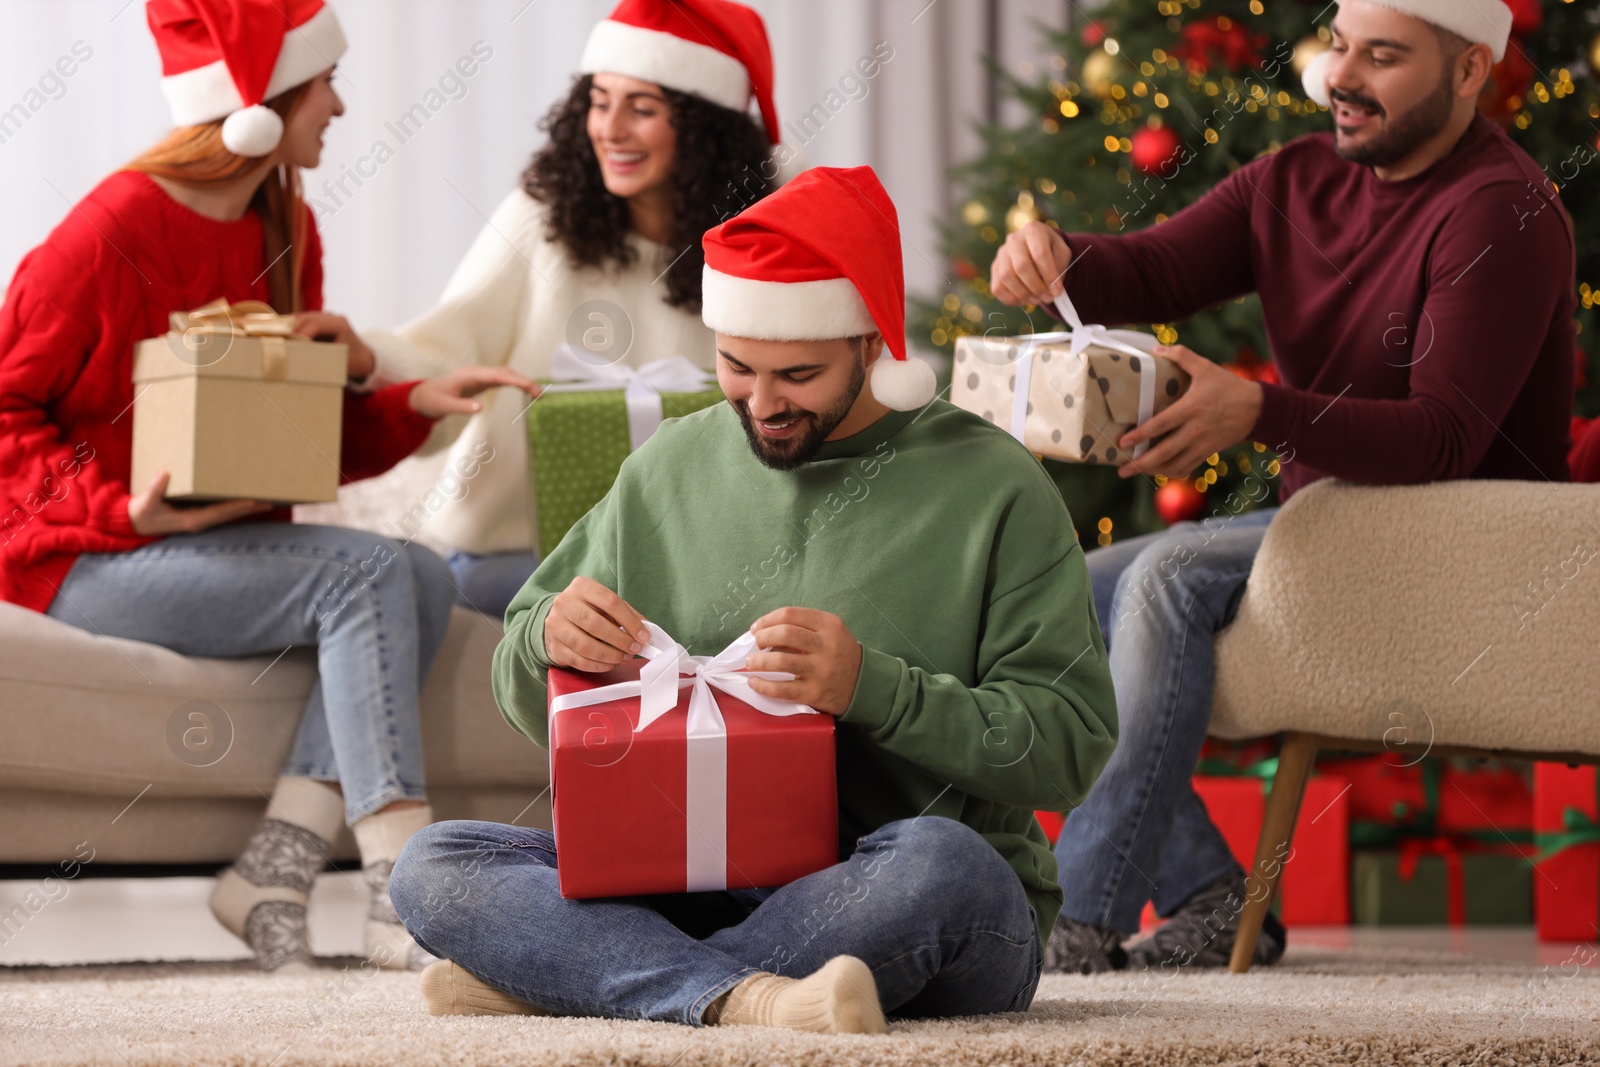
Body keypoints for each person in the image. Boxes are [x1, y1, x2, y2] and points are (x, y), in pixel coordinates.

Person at [385, 167, 1119, 1032]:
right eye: (736, 366)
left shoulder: (995, 485)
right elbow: (522, 681)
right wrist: (548, 636)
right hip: (682, 877)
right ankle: (746, 996)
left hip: (886, 882)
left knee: (947, 868)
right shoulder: (672, 463)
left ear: (872, 344)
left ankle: (595, 976)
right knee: (436, 863)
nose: (762, 404)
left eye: (799, 374)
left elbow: (1069, 747)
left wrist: (870, 689)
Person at [989, 0, 1575, 972]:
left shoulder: (1501, 211)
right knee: (1062, 596)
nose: (1342, 74)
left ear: (1471, 71)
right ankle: (1214, 897)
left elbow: (1441, 436)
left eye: (1382, 56)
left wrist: (1258, 411)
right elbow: (1158, 266)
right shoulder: (1295, 179)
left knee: (1167, 574)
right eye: (1339, 45)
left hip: (1465, 541)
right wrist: (1053, 257)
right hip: (1326, 524)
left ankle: (1077, 920)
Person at [0, 0, 536, 973]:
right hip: (84, 556)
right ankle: (399, 888)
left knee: (411, 575)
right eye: (322, 82)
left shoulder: (281, 223)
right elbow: (5, 419)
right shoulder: (107, 229)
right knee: (373, 574)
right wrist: (119, 507)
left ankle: (273, 867)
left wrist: (413, 395)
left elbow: (298, 436)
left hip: (201, 548)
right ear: (262, 103)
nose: (338, 103)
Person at [360, 0, 795, 618]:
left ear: (702, 130)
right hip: (515, 556)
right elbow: (445, 345)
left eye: (641, 109)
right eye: (598, 101)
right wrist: (366, 358)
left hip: (688, 561)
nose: (610, 128)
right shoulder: (538, 221)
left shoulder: (761, 242)